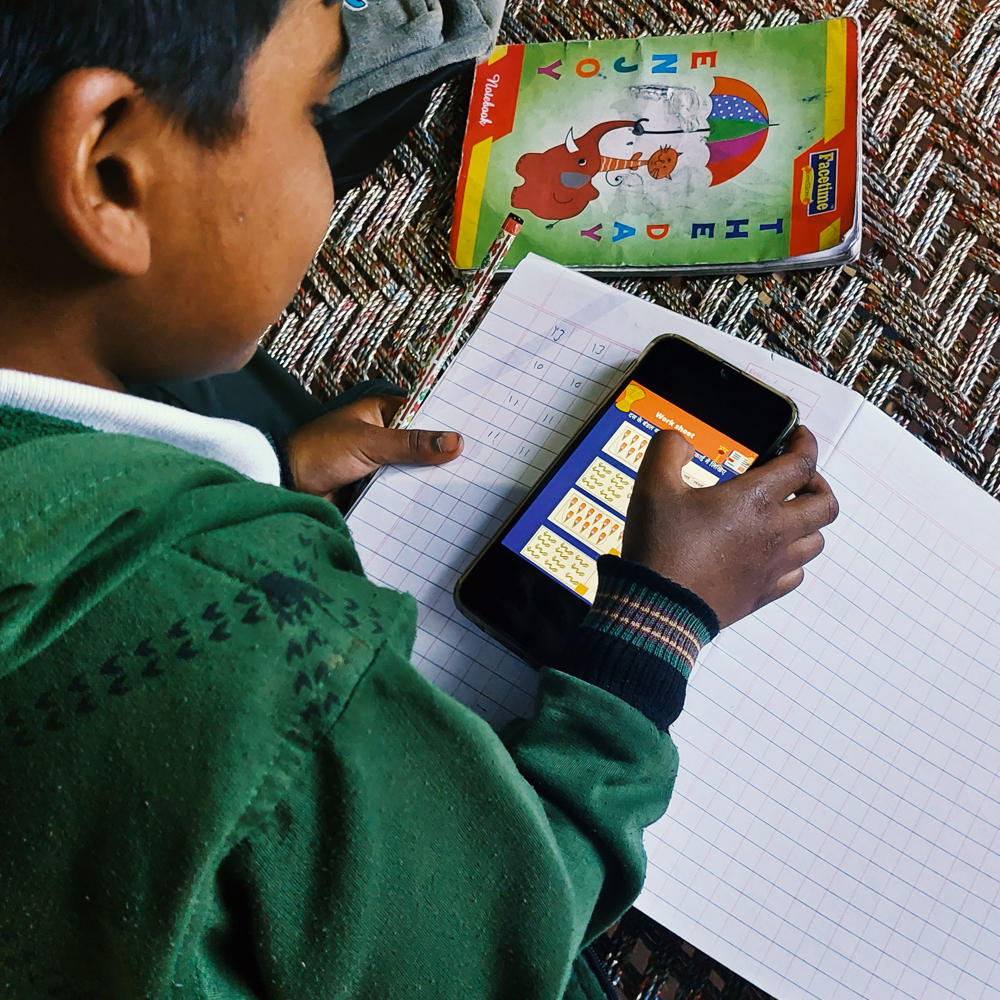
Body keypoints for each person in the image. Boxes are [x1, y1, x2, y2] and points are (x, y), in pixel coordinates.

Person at [0, 2, 838, 998]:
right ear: (107, 173)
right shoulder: (266, 644)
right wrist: (658, 624)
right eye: (313, 110)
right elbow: (492, 943)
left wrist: (262, 472)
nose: (322, 149)